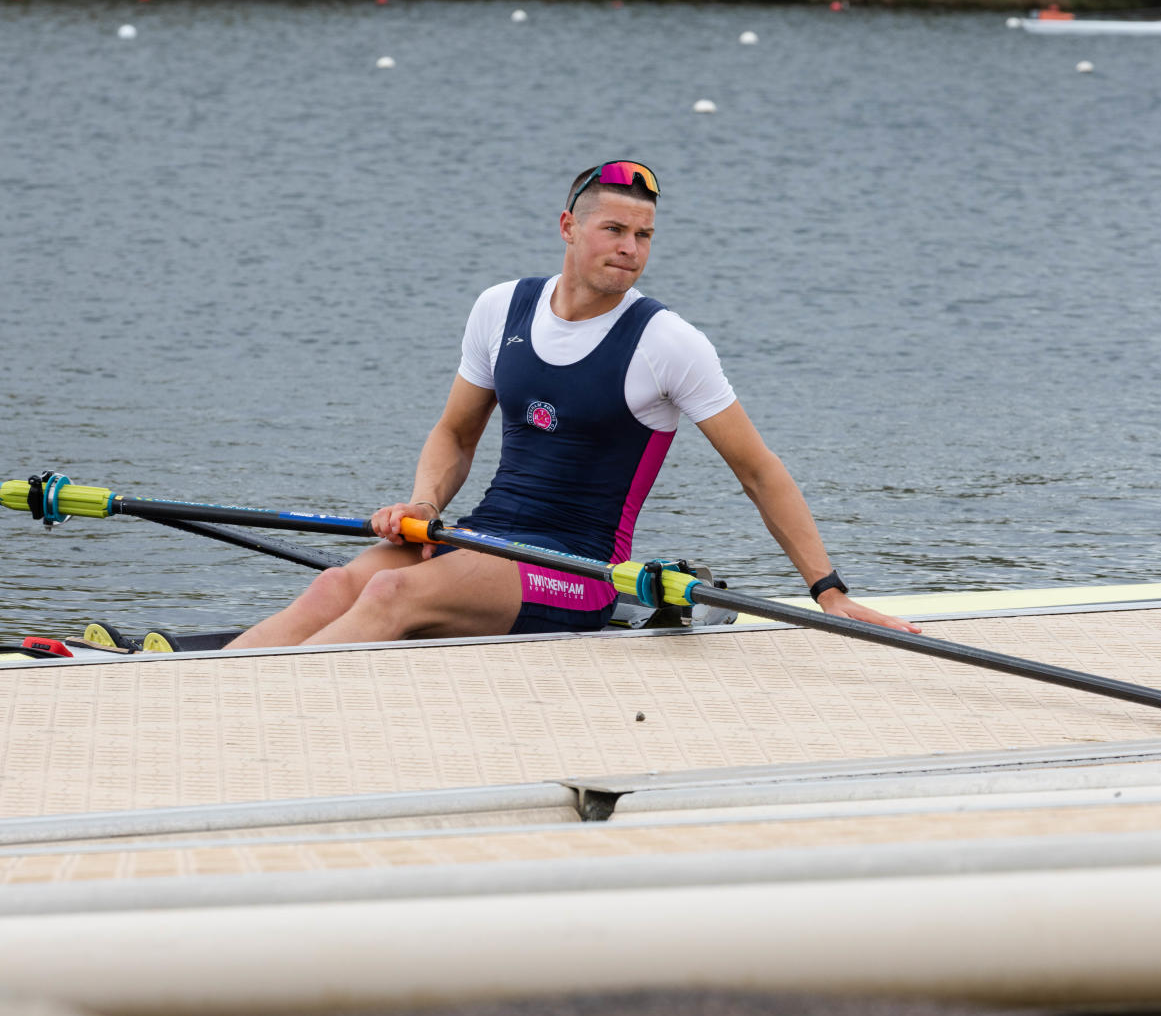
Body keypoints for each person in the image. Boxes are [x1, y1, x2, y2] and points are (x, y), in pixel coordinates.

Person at [228, 160, 919, 649]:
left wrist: (829, 591)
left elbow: (759, 472)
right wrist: (422, 506)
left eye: (644, 236)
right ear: (568, 226)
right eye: (614, 230)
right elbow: (455, 434)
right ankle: (204, 693)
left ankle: (278, 713)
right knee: (335, 588)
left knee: (385, 596)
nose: (630, 249)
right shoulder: (501, 307)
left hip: (577, 573)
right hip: (479, 536)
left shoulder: (668, 343)